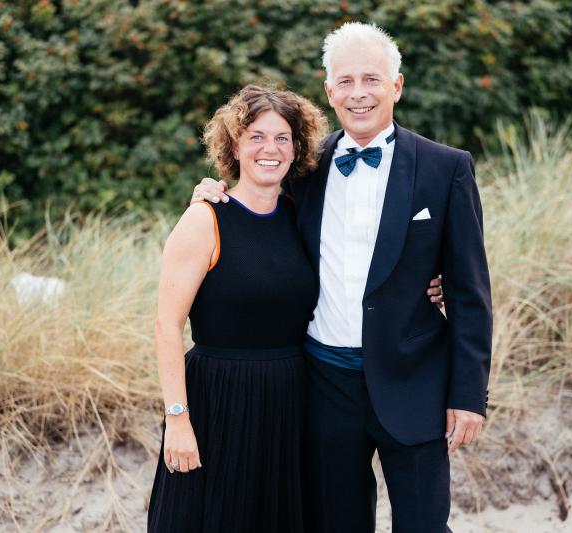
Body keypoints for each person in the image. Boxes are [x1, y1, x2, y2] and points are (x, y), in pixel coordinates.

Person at [192, 21, 493, 533]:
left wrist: (468, 396)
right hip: (323, 385)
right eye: (346, 81)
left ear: (396, 85)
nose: (359, 93)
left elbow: (470, 293)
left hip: (415, 381)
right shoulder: (303, 169)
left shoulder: (446, 169)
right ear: (329, 91)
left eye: (371, 79)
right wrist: (211, 193)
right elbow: (254, 206)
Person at [147, 85, 328, 532]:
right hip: (216, 400)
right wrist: (177, 419)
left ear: (296, 147)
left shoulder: (300, 215)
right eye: (256, 137)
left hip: (289, 401)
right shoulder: (205, 218)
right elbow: (167, 325)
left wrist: (431, 285)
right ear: (234, 146)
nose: (270, 148)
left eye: (282, 138)